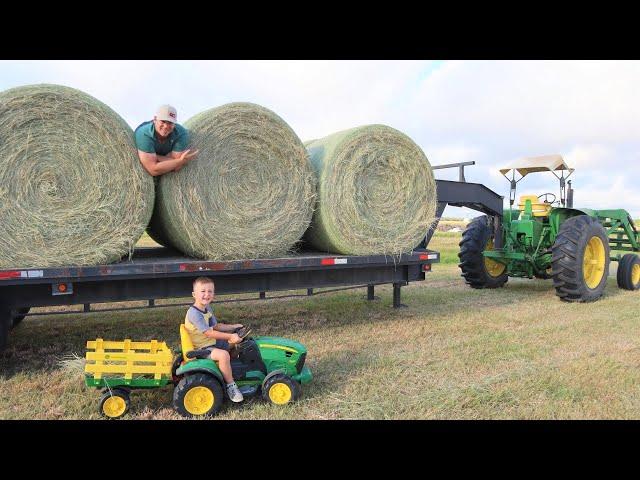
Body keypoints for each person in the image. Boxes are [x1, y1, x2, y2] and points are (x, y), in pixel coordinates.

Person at [184, 276, 245, 402]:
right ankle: (230, 385)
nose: (207, 294)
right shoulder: (194, 313)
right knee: (224, 355)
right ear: (194, 294)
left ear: (214, 294)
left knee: (239, 344)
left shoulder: (206, 308)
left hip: (210, 342)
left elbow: (216, 326)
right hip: (201, 348)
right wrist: (230, 336)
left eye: (210, 291)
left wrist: (234, 327)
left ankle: (234, 370)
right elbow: (209, 333)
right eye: (203, 291)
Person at [134, 104, 199, 176]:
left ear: (175, 123)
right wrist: (180, 161)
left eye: (170, 123)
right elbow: (153, 170)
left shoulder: (181, 134)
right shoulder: (144, 133)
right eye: (163, 121)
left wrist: (156, 157)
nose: (166, 126)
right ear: (155, 119)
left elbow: (176, 167)